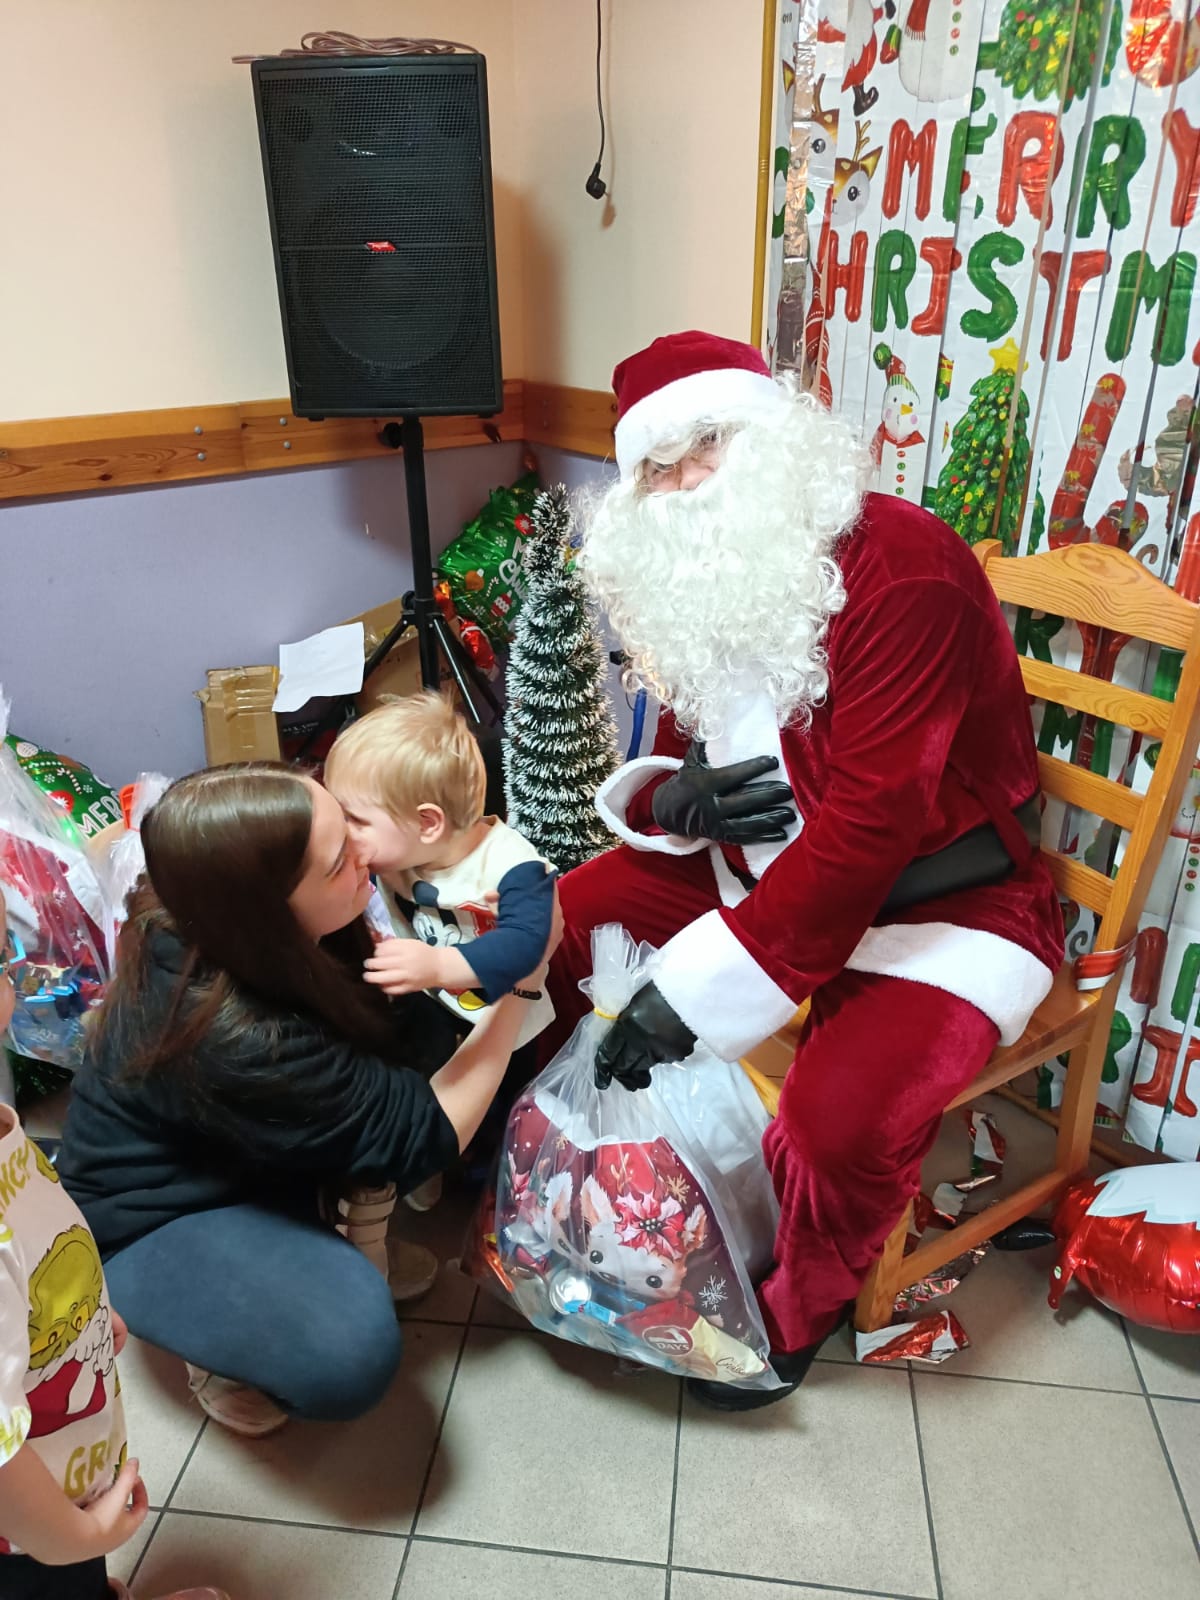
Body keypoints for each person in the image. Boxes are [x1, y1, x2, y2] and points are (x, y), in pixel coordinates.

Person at [546, 329, 1064, 1410]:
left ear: (774, 438)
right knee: (577, 913)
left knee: (838, 1124)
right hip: (763, 880)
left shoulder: (905, 567)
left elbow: (872, 823)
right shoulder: (702, 575)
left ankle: (796, 1307)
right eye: (657, 468)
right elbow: (707, 753)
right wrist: (672, 798)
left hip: (942, 904)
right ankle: (580, 1155)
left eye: (708, 444)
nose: (687, 484)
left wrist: (693, 996)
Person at [56, 764, 557, 1439]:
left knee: (422, 1031)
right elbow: (430, 1133)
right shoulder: (230, 1033)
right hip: (157, 1214)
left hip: (246, 1141)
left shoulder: (215, 912)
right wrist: (521, 985)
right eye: (337, 861)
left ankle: (333, 1232)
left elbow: (407, 1032)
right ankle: (225, 1345)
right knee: (347, 1350)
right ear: (272, 909)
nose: (364, 855)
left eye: (350, 827)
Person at [0, 907, 226, 1599]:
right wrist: (69, 1538)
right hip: (27, 1521)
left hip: (53, 1457)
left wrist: (78, 1316)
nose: (16, 979)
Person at [324, 692, 557, 1224]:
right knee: (424, 1070)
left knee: (502, 1103)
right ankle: (431, 1154)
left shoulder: (513, 865)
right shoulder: (400, 848)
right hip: (433, 1002)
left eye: (354, 819)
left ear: (427, 823)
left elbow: (528, 942)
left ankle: (490, 1181)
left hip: (503, 1017)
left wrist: (437, 968)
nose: (343, 833)